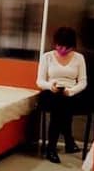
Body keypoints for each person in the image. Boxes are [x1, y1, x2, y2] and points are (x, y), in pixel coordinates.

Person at [36, 27, 88, 164]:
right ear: (55, 43)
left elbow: (83, 82)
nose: (63, 50)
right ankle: (68, 140)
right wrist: (50, 86)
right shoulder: (47, 57)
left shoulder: (79, 58)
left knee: (62, 104)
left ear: (72, 46)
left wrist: (71, 91)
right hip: (51, 92)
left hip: (70, 93)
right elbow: (40, 81)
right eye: (60, 46)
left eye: (67, 47)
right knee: (59, 103)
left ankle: (51, 148)